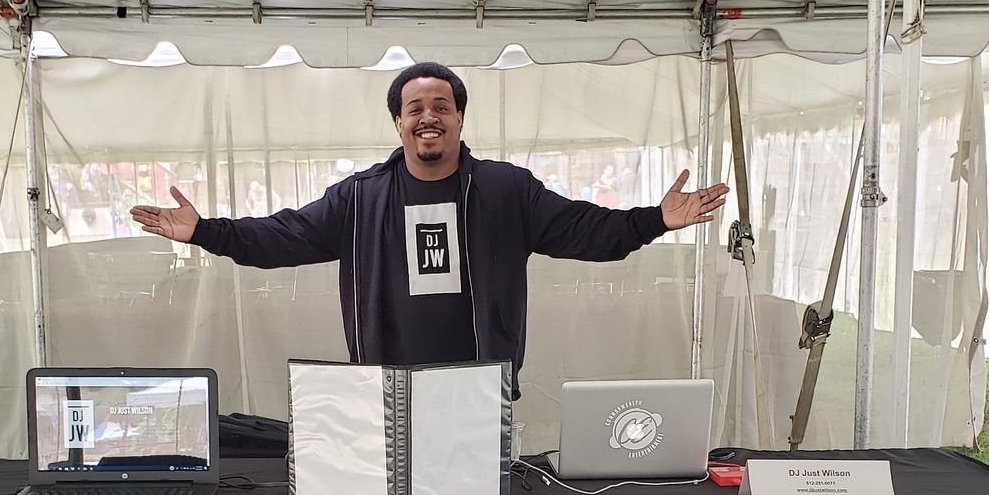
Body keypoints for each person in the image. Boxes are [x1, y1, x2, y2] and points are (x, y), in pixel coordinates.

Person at [130, 61, 727, 392]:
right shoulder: (360, 199)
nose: (428, 117)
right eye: (414, 108)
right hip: (387, 389)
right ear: (397, 123)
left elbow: (585, 231)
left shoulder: (503, 190)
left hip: (481, 388)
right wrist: (205, 230)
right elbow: (282, 236)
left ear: (460, 117)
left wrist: (656, 220)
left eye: (441, 105)